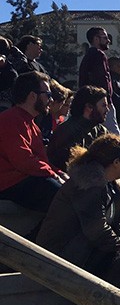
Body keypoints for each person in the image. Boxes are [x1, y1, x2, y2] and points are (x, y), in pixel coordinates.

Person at [37, 134, 120, 275]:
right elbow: (97, 230)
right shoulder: (89, 186)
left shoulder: (109, 185)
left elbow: (115, 222)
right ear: (116, 162)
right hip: (60, 258)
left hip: (81, 256)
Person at [0, 71, 64, 214]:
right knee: (63, 199)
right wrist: (54, 175)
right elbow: (23, 161)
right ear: (33, 96)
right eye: (48, 95)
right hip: (8, 184)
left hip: (22, 180)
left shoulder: (32, 125)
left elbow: (41, 161)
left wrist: (59, 173)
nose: (51, 100)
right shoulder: (10, 119)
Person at [47, 85, 109, 171]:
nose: (107, 110)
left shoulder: (100, 130)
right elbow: (65, 164)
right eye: (103, 105)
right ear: (89, 107)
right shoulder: (67, 131)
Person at [78, 27, 120, 135]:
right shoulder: (99, 55)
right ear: (96, 39)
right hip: (101, 102)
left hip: (92, 103)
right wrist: (106, 102)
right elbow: (102, 79)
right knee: (114, 136)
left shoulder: (87, 56)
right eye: (105, 37)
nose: (108, 40)